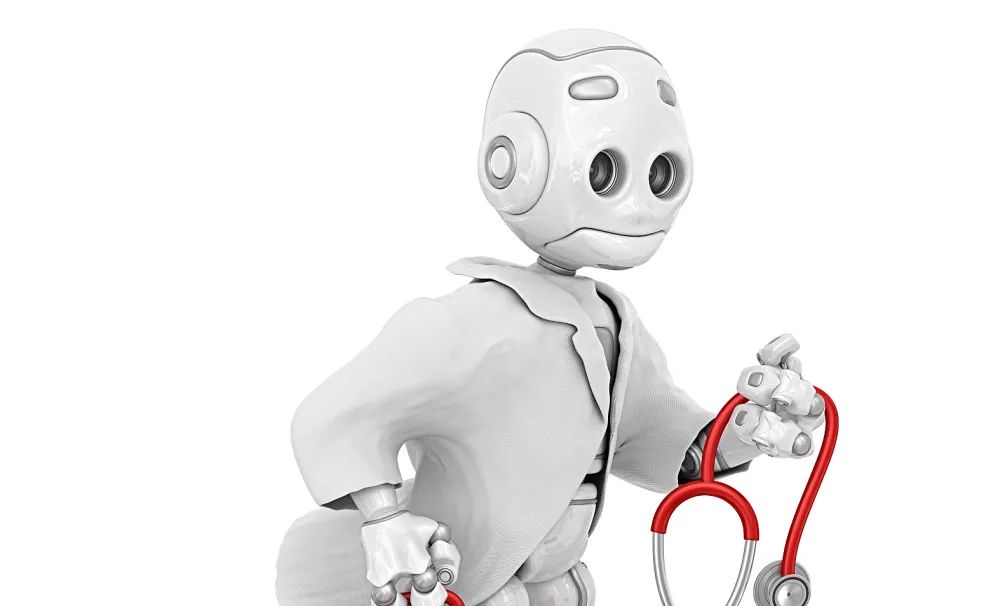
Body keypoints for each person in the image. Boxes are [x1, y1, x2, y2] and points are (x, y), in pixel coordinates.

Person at [277, 29, 825, 606]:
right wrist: (384, 522)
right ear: (512, 163)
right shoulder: (466, 323)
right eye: (605, 170)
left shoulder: (613, 321)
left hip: (556, 580)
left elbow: (660, 442)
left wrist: (748, 430)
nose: (639, 205)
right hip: (465, 581)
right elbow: (332, 418)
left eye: (661, 172)